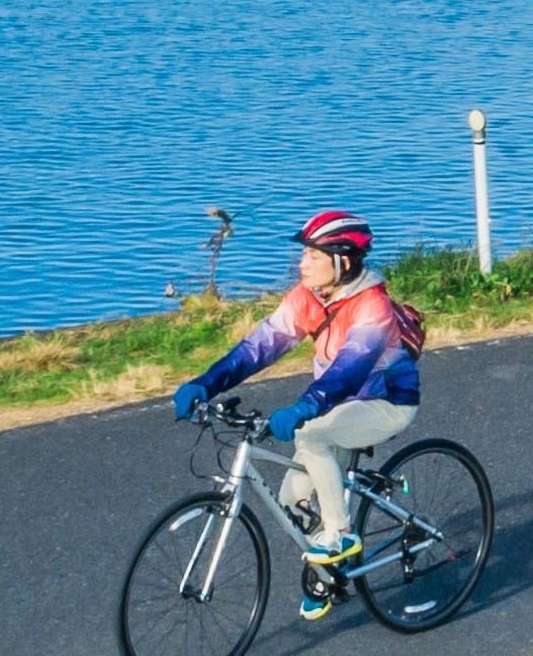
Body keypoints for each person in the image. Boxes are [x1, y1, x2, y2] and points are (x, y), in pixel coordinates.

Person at [176, 209, 426, 617]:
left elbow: (351, 370)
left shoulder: (371, 306)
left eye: (313, 255)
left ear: (342, 262)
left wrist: (304, 408)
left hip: (384, 404)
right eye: (304, 254)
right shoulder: (308, 298)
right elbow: (260, 346)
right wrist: (206, 383)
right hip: (334, 408)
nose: (302, 262)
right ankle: (331, 573)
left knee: (310, 436)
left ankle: (342, 536)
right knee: (292, 502)